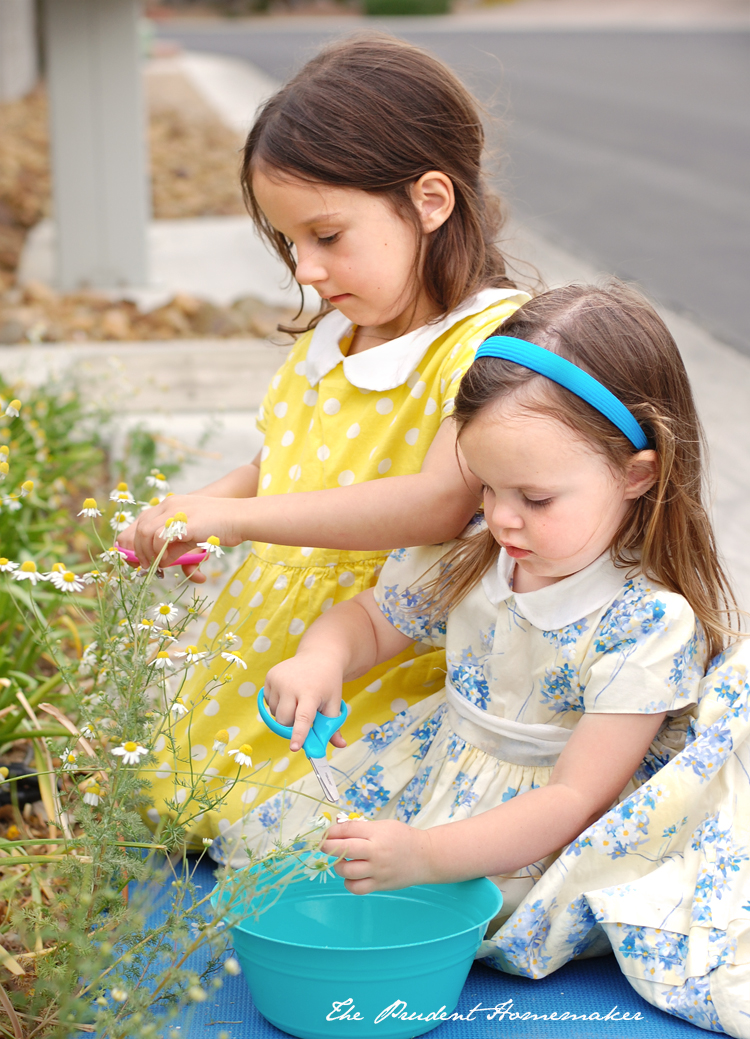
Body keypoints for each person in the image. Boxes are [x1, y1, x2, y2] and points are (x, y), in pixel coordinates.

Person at [214, 282, 750, 1036]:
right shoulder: (477, 552)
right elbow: (372, 619)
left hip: (542, 823)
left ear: (637, 474)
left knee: (459, 906)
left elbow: (575, 799)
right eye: (487, 485)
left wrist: (430, 856)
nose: (501, 516)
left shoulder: (645, 621)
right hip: (441, 767)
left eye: (534, 496)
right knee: (307, 863)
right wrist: (320, 658)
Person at [120, 34, 530, 843]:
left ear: (431, 201)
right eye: (289, 244)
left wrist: (236, 522)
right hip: (285, 631)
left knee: (294, 825)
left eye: (327, 236)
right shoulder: (341, 337)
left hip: (387, 647)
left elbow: (437, 503)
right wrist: (198, 505)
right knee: (184, 793)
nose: (306, 269)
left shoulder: (487, 343)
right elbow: (284, 467)